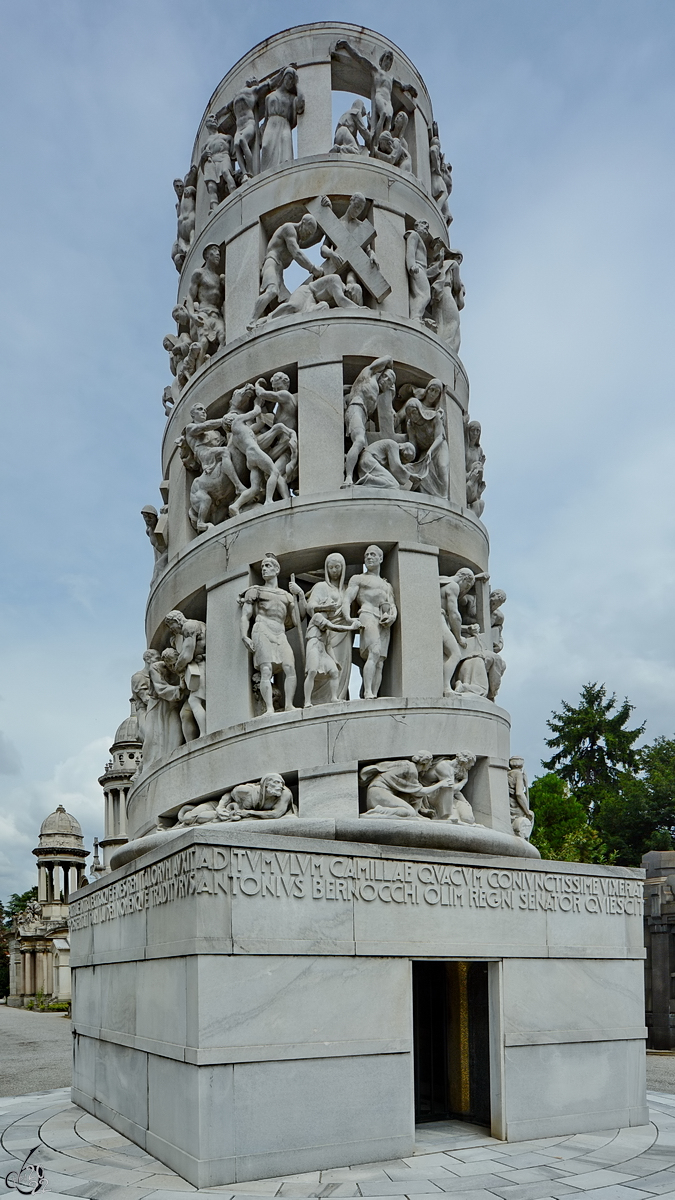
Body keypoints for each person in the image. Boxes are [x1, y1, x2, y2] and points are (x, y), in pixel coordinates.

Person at [334, 41, 417, 155]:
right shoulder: (376, 71)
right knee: (383, 114)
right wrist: (346, 46)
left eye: (390, 60)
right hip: (380, 97)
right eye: (387, 58)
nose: (388, 62)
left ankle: (383, 146)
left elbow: (403, 86)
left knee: (388, 121)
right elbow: (360, 59)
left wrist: (411, 89)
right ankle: (375, 144)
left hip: (388, 101)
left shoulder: (391, 78)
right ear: (382, 59)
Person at [239, 553, 298, 715]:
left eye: (268, 566)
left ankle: (289, 705)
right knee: (266, 670)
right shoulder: (256, 591)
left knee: (290, 667)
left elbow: (296, 622)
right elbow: (246, 615)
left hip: (280, 633)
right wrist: (245, 635)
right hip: (262, 629)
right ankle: (269, 708)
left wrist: (298, 595)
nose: (264, 569)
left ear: (277, 570)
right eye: (263, 566)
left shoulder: (287, 595)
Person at [289, 553, 352, 703]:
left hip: (343, 632)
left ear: (343, 569)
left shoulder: (346, 589)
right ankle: (316, 701)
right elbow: (311, 607)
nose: (334, 570)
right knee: (316, 669)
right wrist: (324, 607)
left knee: (339, 667)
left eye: (337, 567)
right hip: (325, 631)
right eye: (330, 567)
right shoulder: (321, 586)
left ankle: (337, 697)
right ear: (326, 569)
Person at [342, 545, 397, 699]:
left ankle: (374, 692)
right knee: (374, 652)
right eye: (366, 555)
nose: (369, 557)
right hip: (367, 614)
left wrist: (392, 616)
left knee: (380, 661)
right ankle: (367, 691)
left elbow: (392, 605)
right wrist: (348, 618)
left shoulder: (387, 585)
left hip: (383, 621)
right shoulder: (359, 578)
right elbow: (347, 598)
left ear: (381, 558)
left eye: (373, 555)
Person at [248, 216, 322, 328]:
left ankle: (265, 321)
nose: (307, 236)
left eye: (309, 234)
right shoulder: (289, 229)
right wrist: (312, 268)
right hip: (272, 263)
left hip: (279, 273)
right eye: (307, 232)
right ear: (303, 223)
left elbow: (315, 240)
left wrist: (325, 212)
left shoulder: (299, 238)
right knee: (272, 291)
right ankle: (252, 321)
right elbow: (296, 253)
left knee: (290, 304)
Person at [342, 355, 394, 487]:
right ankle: (348, 478)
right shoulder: (368, 375)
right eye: (386, 376)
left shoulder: (377, 394)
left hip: (361, 417)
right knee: (359, 441)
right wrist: (390, 363)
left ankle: (361, 478)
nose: (386, 380)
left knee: (364, 453)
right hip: (355, 409)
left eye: (390, 381)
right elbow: (387, 358)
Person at [396, 379, 449, 498]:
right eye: (410, 413)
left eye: (436, 392)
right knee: (420, 471)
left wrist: (430, 452)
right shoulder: (411, 425)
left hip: (438, 447)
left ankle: (444, 499)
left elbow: (440, 437)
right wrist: (405, 450)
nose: (433, 394)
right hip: (425, 451)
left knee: (442, 467)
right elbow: (413, 444)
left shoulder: (435, 416)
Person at [359, 755, 453, 818]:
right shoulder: (411, 770)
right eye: (430, 763)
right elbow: (420, 792)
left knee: (412, 809)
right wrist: (441, 783)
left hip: (376, 792)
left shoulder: (406, 764)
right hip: (378, 793)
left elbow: (415, 794)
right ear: (424, 762)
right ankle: (376, 812)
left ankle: (415, 813)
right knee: (409, 812)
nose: (431, 765)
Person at [164, 610, 207, 739]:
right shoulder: (199, 624)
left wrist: (177, 667)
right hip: (200, 665)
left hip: (202, 666)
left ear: (176, 621)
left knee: (194, 700)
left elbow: (187, 655)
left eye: (171, 626)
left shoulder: (189, 626)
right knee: (185, 713)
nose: (172, 629)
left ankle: (205, 733)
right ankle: (191, 743)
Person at [260, 67, 304, 172]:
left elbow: (301, 103)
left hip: (284, 124)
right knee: (266, 147)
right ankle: (267, 174)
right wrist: (262, 128)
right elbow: (266, 117)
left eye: (292, 80)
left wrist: (298, 85)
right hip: (271, 123)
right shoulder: (270, 96)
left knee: (286, 150)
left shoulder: (291, 97)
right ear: (283, 77)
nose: (289, 82)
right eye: (288, 78)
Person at [186, 244, 226, 354]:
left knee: (223, 337)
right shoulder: (199, 273)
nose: (218, 253)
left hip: (216, 315)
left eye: (218, 251)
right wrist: (192, 315)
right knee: (203, 342)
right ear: (207, 255)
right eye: (214, 250)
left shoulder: (218, 278)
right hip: (204, 314)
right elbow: (190, 296)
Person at [200, 115, 237, 211]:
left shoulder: (227, 138)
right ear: (207, 124)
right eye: (211, 119)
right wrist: (203, 156)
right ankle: (214, 208)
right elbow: (202, 167)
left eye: (215, 119)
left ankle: (234, 193)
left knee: (226, 172)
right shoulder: (204, 145)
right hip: (211, 162)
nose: (214, 120)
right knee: (211, 185)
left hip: (224, 157)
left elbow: (234, 153)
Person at [141, 505, 168, 586]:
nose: (148, 519)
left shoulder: (160, 526)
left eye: (150, 517)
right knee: (152, 582)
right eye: (145, 517)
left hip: (168, 552)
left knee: (159, 567)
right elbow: (156, 551)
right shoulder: (148, 531)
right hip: (161, 555)